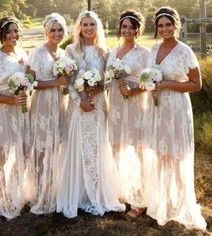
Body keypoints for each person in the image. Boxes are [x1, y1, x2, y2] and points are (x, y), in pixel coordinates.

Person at [56, 11, 125, 218]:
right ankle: (76, 193)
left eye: (92, 25)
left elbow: (109, 79)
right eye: (84, 25)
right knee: (77, 146)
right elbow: (67, 81)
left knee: (95, 147)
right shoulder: (70, 50)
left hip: (97, 106)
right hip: (77, 107)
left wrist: (97, 90)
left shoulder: (105, 52)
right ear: (79, 28)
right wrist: (81, 100)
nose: (88, 28)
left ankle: (95, 191)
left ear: (97, 28)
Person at [144, 6, 207, 230]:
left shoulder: (185, 51)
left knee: (177, 155)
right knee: (161, 155)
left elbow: (196, 84)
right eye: (160, 26)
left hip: (177, 109)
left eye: (168, 25)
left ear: (175, 26)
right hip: (157, 109)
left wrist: (167, 84)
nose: (164, 29)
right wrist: (151, 86)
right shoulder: (153, 49)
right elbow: (149, 76)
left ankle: (180, 203)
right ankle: (162, 201)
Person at [0, 17, 29, 219]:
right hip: (4, 112)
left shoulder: (22, 54)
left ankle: (16, 192)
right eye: (9, 32)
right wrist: (10, 101)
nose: (14, 35)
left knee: (23, 152)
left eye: (16, 31)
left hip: (23, 111)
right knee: (2, 156)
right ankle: (2, 198)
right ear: (2, 35)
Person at [106, 10, 150, 221]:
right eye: (124, 27)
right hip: (115, 103)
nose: (127, 30)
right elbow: (108, 79)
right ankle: (120, 193)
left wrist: (133, 90)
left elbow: (150, 81)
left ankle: (140, 200)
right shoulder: (113, 51)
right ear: (120, 29)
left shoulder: (144, 53)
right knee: (116, 147)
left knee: (136, 149)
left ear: (137, 30)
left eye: (131, 27)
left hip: (134, 104)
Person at [27, 13, 68, 214]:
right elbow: (31, 83)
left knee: (55, 145)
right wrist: (56, 83)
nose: (57, 33)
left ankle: (53, 188)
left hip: (59, 103)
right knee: (41, 147)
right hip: (42, 104)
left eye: (60, 30)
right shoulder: (37, 53)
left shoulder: (64, 54)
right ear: (46, 31)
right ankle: (40, 192)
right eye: (53, 30)